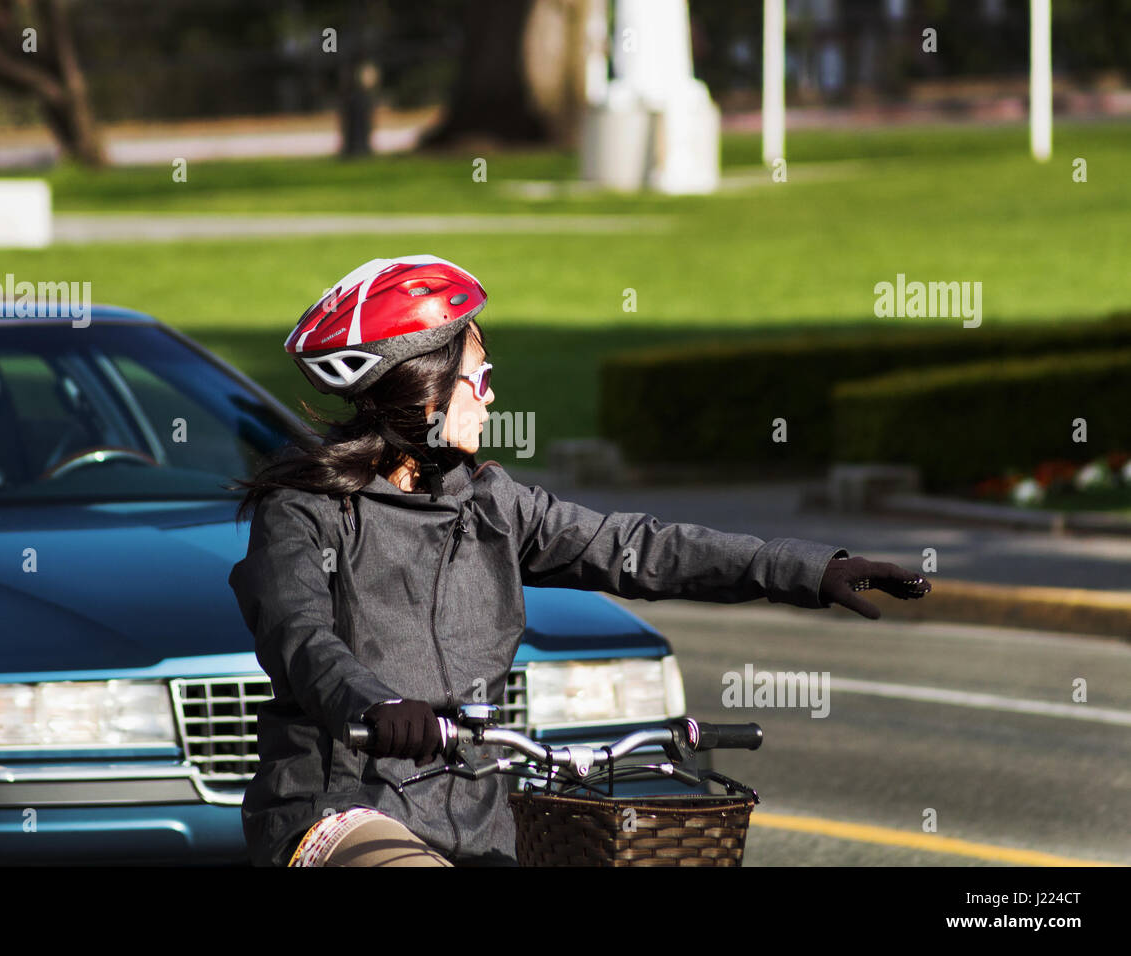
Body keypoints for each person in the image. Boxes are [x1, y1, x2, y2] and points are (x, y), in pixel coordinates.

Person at [227, 254, 931, 867]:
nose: (493, 393)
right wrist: (373, 703)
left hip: (478, 814)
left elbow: (640, 547)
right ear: (423, 383)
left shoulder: (492, 506)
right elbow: (302, 639)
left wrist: (803, 570)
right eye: (480, 375)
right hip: (341, 808)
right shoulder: (306, 508)